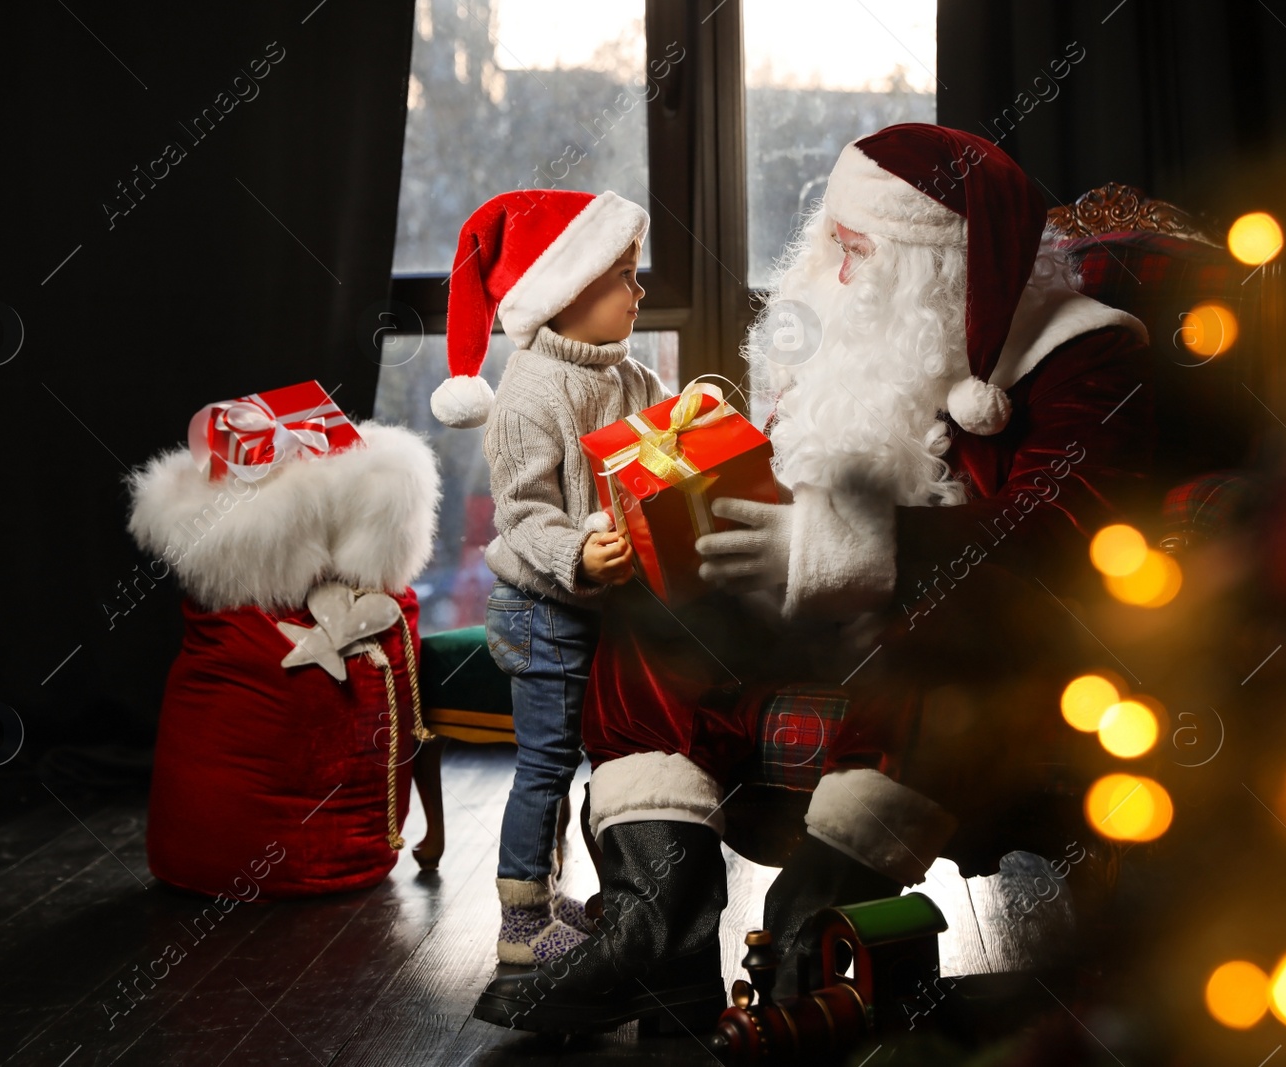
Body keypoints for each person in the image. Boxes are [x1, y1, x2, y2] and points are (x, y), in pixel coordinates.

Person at [472, 124, 1154, 1032]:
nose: (834, 271)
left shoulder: (1081, 353)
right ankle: (658, 932)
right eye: (832, 240)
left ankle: (815, 914)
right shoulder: (847, 331)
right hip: (807, 615)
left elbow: (1060, 539)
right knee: (655, 614)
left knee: (940, 637)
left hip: (951, 626)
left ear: (941, 266)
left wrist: (829, 548)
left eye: (859, 249)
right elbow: (783, 474)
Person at [430, 189, 669, 965]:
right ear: (566, 291)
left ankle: (582, 885)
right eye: (624, 276)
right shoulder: (530, 395)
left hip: (611, 610)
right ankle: (520, 917)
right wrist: (577, 552)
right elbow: (523, 515)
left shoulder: (632, 377)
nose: (640, 292)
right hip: (543, 611)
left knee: (608, 751)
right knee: (546, 762)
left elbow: (661, 455)